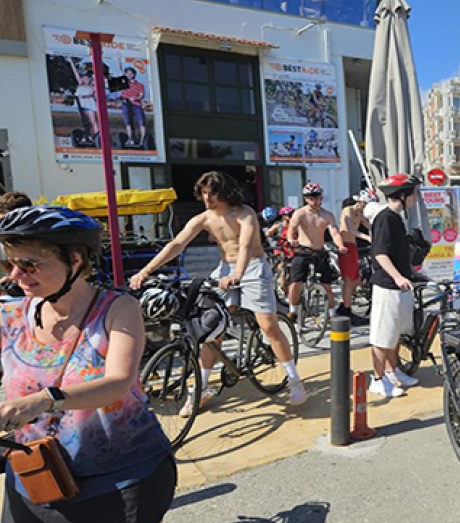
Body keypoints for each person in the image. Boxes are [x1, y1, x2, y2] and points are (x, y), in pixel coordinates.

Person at [0, 206, 175, 523]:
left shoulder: (117, 309)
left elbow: (118, 382)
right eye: (9, 264)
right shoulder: (11, 316)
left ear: (76, 260)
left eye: (29, 265)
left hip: (120, 477)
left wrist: (43, 400)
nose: (15, 276)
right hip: (38, 475)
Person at [130, 171, 307, 408]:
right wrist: (146, 270)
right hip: (224, 269)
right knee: (211, 328)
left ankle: (294, 380)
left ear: (224, 192)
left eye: (211, 192)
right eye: (203, 192)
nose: (206, 197)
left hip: (253, 268)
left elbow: (244, 246)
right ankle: (201, 387)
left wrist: (237, 274)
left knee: (269, 326)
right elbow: (176, 244)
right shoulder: (203, 218)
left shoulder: (244, 213)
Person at [367, 174, 423, 398]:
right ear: (402, 195)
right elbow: (380, 254)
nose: (415, 199)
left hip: (400, 285)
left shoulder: (397, 218)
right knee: (382, 336)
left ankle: (393, 371)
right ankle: (377, 379)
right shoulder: (385, 218)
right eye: (413, 194)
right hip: (387, 285)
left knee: (395, 333)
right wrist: (398, 276)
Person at [286, 183, 346, 323]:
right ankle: (293, 310)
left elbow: (334, 232)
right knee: (296, 282)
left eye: (316, 197)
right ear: (306, 199)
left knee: (327, 285)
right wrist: (290, 239)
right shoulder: (300, 213)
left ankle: (331, 315)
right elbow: (292, 228)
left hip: (320, 251)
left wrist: (341, 246)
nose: (314, 200)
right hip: (303, 250)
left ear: (321, 197)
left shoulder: (327, 215)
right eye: (310, 198)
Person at [336, 191, 374, 326]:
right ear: (361, 202)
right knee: (349, 279)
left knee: (356, 279)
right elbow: (350, 229)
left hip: (353, 246)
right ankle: (346, 309)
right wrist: (367, 237)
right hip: (345, 246)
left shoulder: (360, 214)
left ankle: (343, 304)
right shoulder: (348, 210)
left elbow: (369, 225)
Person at [66, 57, 99, 143]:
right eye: (84, 78)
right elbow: (75, 73)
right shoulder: (80, 84)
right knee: (85, 122)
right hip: (81, 105)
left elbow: (91, 93)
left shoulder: (92, 86)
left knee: (93, 121)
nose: (86, 79)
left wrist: (83, 96)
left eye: (88, 78)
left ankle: (97, 135)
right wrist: (71, 63)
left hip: (89, 105)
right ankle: (87, 136)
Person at [118, 66, 147, 147]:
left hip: (136, 104)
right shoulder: (124, 83)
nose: (129, 75)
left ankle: (142, 140)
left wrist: (135, 98)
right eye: (127, 73)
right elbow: (120, 71)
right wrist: (118, 60)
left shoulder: (140, 85)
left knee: (141, 122)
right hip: (125, 103)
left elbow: (141, 95)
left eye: (131, 73)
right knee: (127, 122)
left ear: (134, 74)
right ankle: (130, 139)